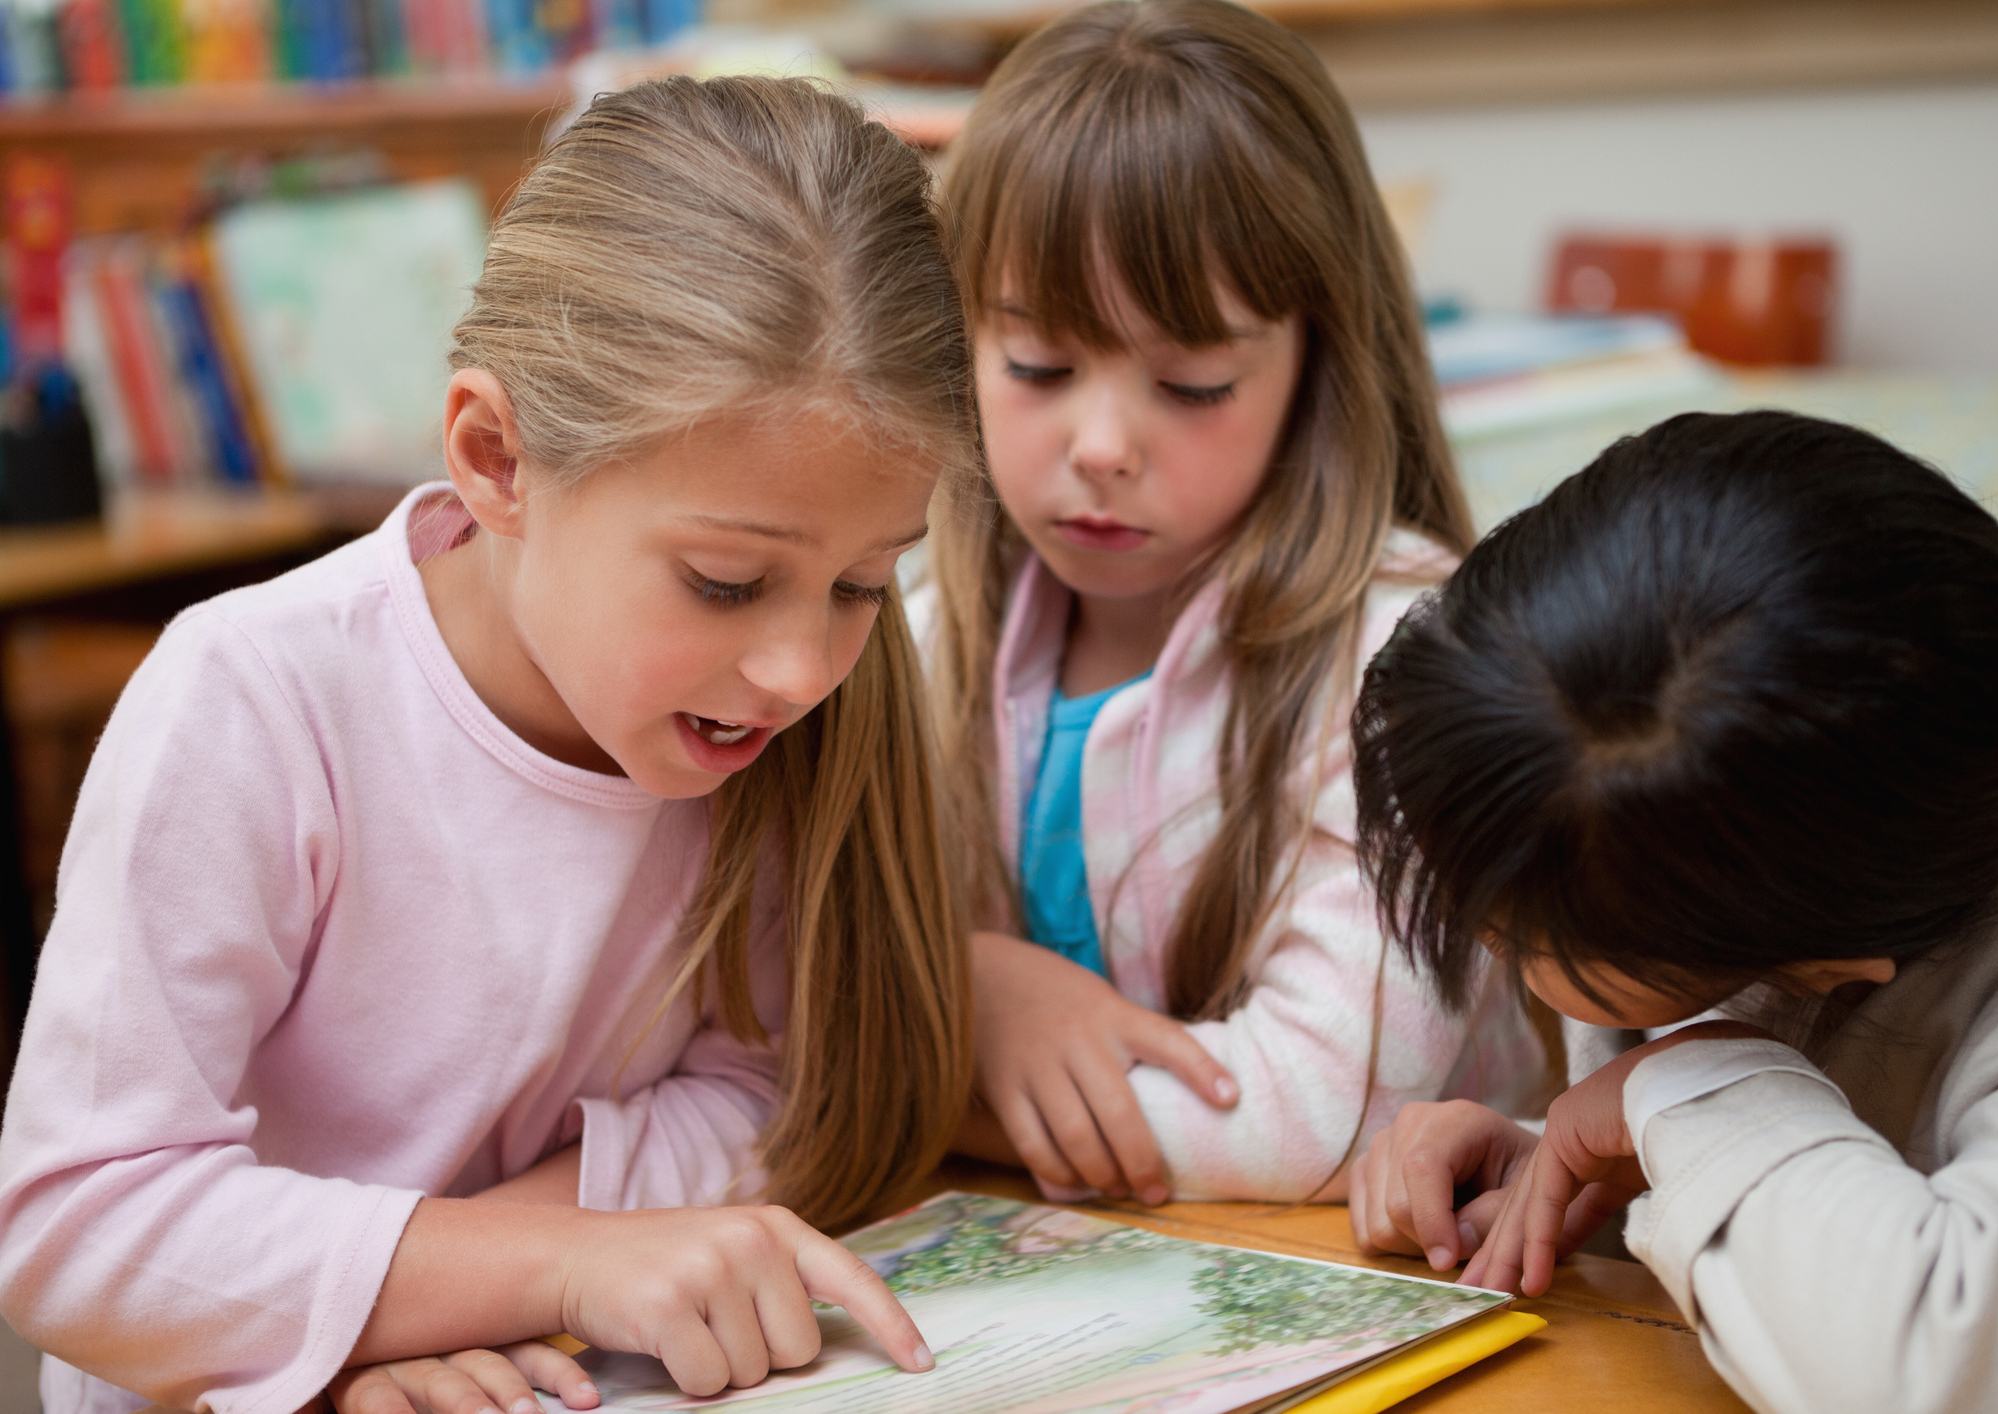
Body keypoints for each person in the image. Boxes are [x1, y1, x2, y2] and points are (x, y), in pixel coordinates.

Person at [0, 76, 976, 1414]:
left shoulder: (764, 717)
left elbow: (780, 1090)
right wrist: (541, 1266)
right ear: (496, 457)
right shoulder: (255, 696)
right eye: (723, 582)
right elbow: (74, 1229)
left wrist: (497, 1281)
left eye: (864, 585)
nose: (803, 668)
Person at [1346, 409, 1998, 1414]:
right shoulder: (1717, 842)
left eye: (1514, 932)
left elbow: (1963, 1370)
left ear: (1828, 965)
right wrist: (1576, 1153)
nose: (1482, 925)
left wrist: (1686, 1087)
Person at [922, 0, 1547, 1209]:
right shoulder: (906, 617)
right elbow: (760, 998)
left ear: (1318, 364)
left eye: (1194, 382)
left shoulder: (1407, 657)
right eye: (1038, 367)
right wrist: (972, 983)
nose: (1102, 444)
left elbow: (1312, 1122)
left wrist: (928, 1070)